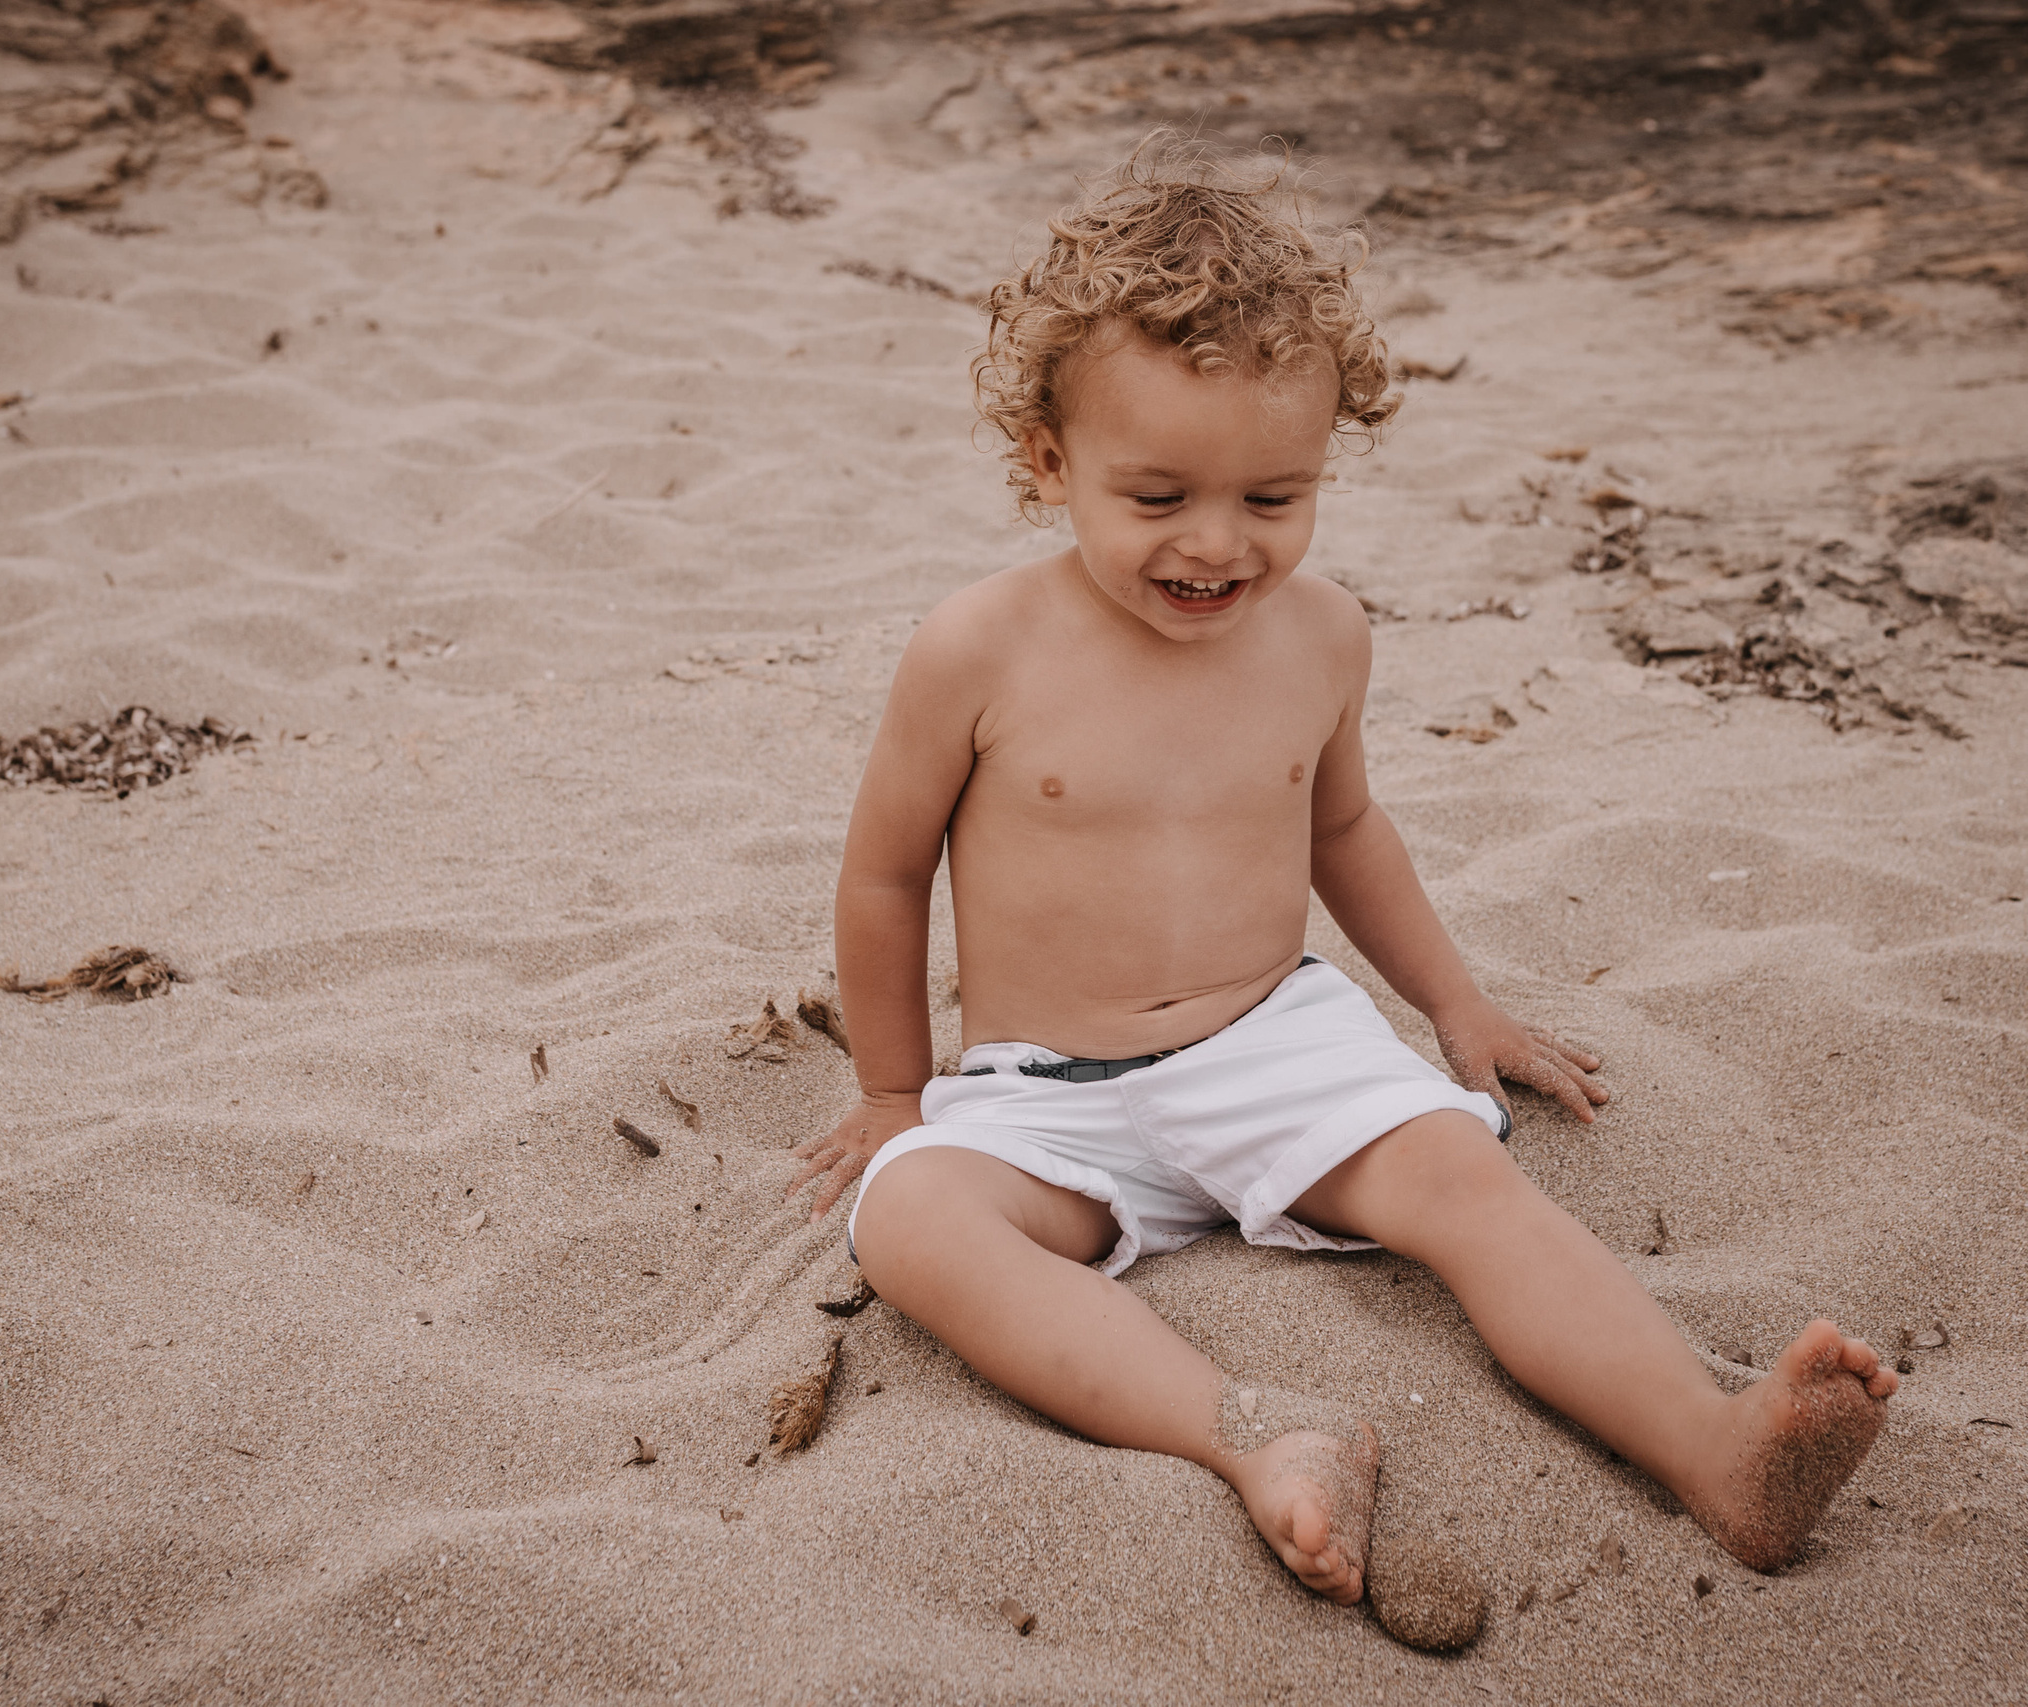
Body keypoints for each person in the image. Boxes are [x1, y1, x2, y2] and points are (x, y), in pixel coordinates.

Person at [785, 143, 1896, 1606]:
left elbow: (1348, 834)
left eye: (1272, 497)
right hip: (1048, 1095)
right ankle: (1251, 1433)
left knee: (1468, 1184)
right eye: (1158, 493)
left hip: (1278, 1046)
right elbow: (883, 878)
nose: (1215, 543)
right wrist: (887, 1090)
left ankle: (1716, 1448)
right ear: (1050, 462)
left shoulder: (1323, 636)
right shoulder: (976, 650)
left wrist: (1461, 1008)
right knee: (918, 1222)